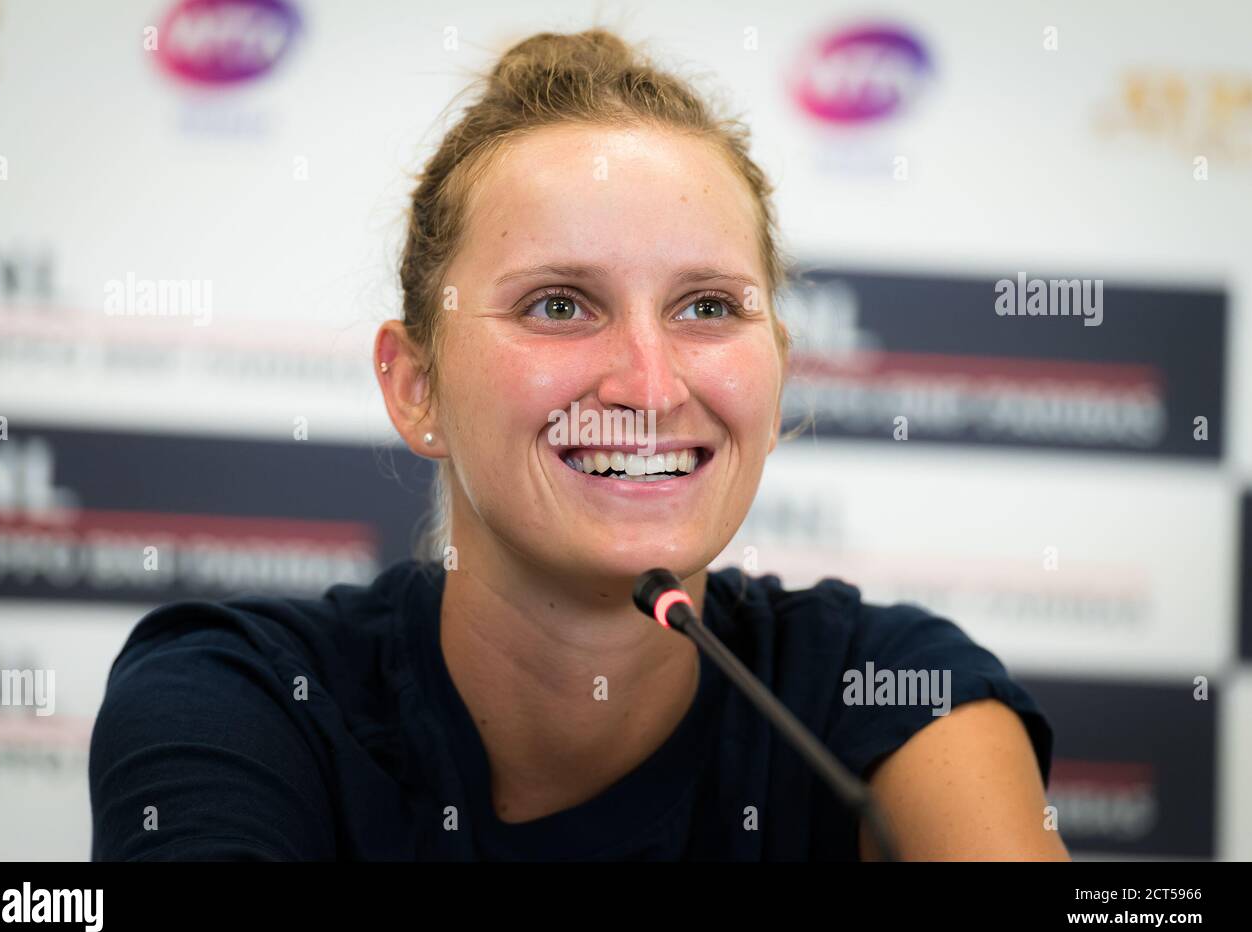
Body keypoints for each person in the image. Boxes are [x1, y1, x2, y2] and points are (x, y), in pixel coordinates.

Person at [89, 27, 1069, 861]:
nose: (646, 385)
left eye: (705, 307)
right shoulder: (238, 697)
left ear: (775, 379)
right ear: (415, 384)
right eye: (559, 304)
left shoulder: (896, 692)